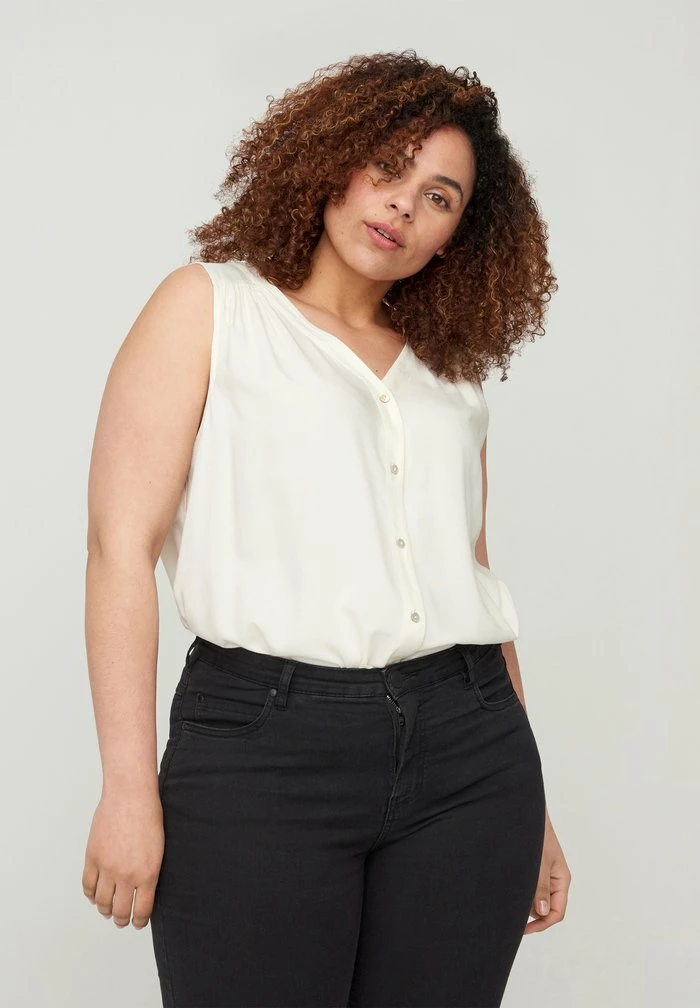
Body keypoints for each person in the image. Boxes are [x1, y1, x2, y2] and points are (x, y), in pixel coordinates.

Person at [81, 49, 571, 1008]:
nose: (402, 205)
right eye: (388, 167)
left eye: (439, 197)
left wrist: (538, 810)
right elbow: (117, 551)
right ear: (330, 159)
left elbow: (472, 574)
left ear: (457, 237)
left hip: (472, 753)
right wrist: (127, 789)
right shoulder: (211, 308)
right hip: (263, 749)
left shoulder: (452, 372)